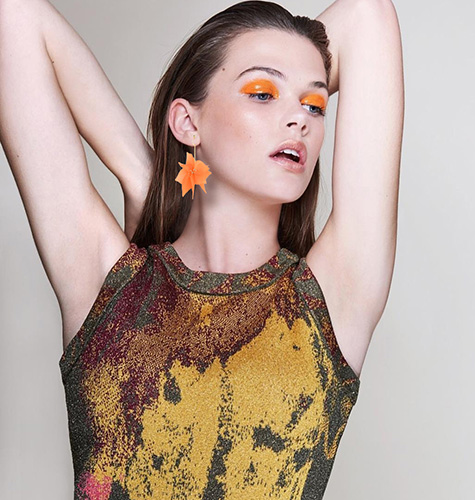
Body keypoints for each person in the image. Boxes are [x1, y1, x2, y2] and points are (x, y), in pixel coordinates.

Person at [0, 0, 403, 498]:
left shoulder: (331, 299)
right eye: (262, 93)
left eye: (314, 105)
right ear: (188, 123)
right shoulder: (110, 288)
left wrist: (278, 70)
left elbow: (367, 16)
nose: (300, 120)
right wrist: (144, 175)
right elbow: (15, 19)